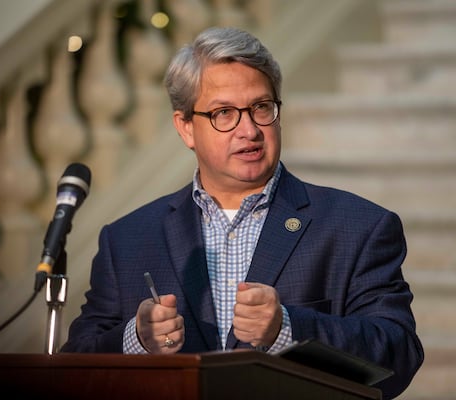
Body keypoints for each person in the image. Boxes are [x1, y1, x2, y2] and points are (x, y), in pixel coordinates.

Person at [60, 26, 424, 399]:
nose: (249, 130)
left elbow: (398, 356)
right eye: (223, 113)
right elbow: (74, 367)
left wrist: (287, 327)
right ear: (185, 127)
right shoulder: (128, 239)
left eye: (261, 108)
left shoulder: (358, 226)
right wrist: (136, 339)